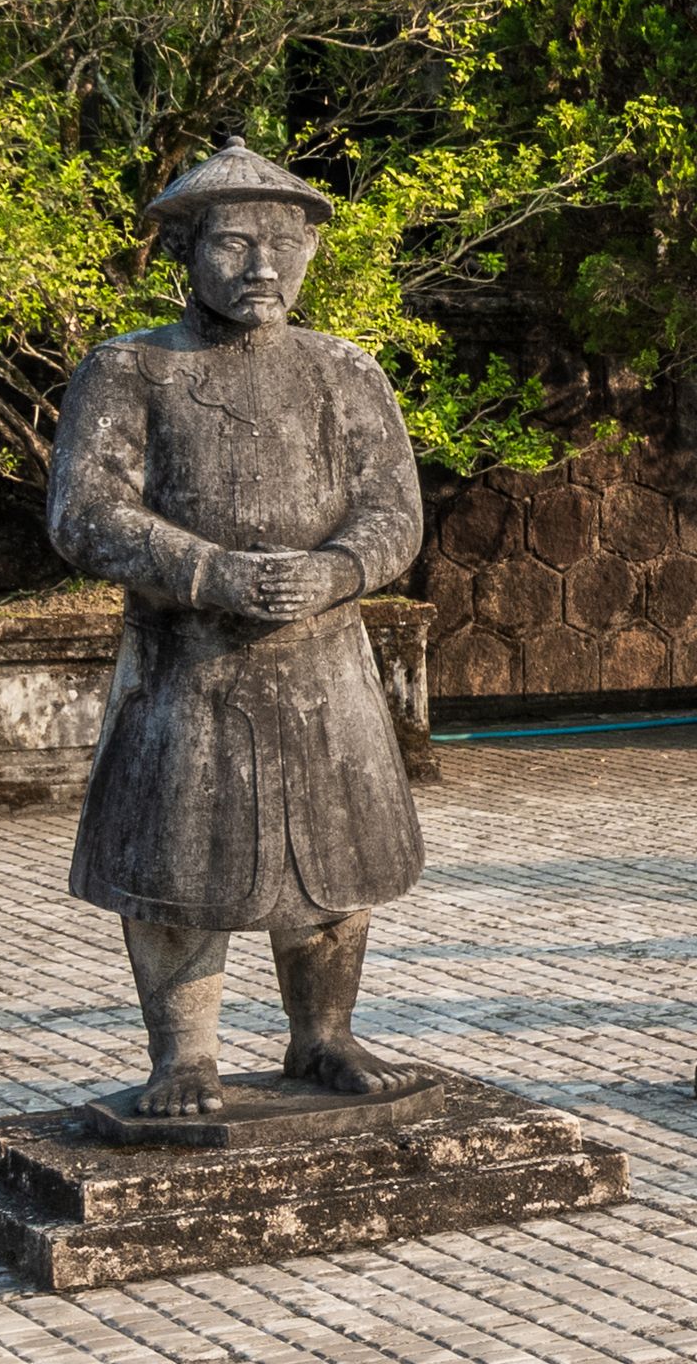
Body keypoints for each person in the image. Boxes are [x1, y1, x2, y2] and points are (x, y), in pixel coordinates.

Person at [53, 143, 428, 1117]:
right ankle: (184, 1058)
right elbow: (85, 514)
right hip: (189, 666)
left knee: (339, 863)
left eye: (283, 244)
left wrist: (336, 570)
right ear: (185, 251)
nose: (263, 265)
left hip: (326, 661)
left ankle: (325, 1035)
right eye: (233, 243)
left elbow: (394, 513)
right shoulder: (131, 369)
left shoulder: (344, 371)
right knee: (181, 864)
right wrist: (209, 572)